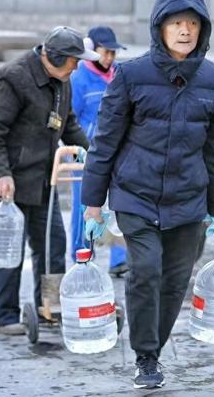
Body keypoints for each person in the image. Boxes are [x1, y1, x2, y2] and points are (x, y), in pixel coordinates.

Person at [81, 0, 214, 390]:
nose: (185, 31)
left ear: (203, 29)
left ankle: (155, 350)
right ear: (160, 28)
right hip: (136, 193)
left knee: (175, 281)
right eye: (177, 23)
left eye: (193, 24)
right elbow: (105, 142)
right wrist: (93, 203)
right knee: (146, 270)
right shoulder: (132, 75)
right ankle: (145, 356)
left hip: (188, 198)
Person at [0, 26, 97, 335]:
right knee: (9, 250)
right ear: (56, 57)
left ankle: (50, 307)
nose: (77, 66)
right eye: (74, 60)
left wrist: (92, 154)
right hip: (8, 181)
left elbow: (68, 124)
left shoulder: (62, 80)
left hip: (42, 179)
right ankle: (5, 316)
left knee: (53, 245)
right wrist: (1, 173)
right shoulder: (13, 78)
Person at [70, 25, 128, 276]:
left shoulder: (119, 76)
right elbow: (70, 119)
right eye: (106, 52)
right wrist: (77, 150)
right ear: (92, 50)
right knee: (83, 209)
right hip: (86, 155)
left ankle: (119, 260)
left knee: (119, 207)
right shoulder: (78, 78)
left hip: (117, 154)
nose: (110, 58)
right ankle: (81, 255)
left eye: (113, 53)